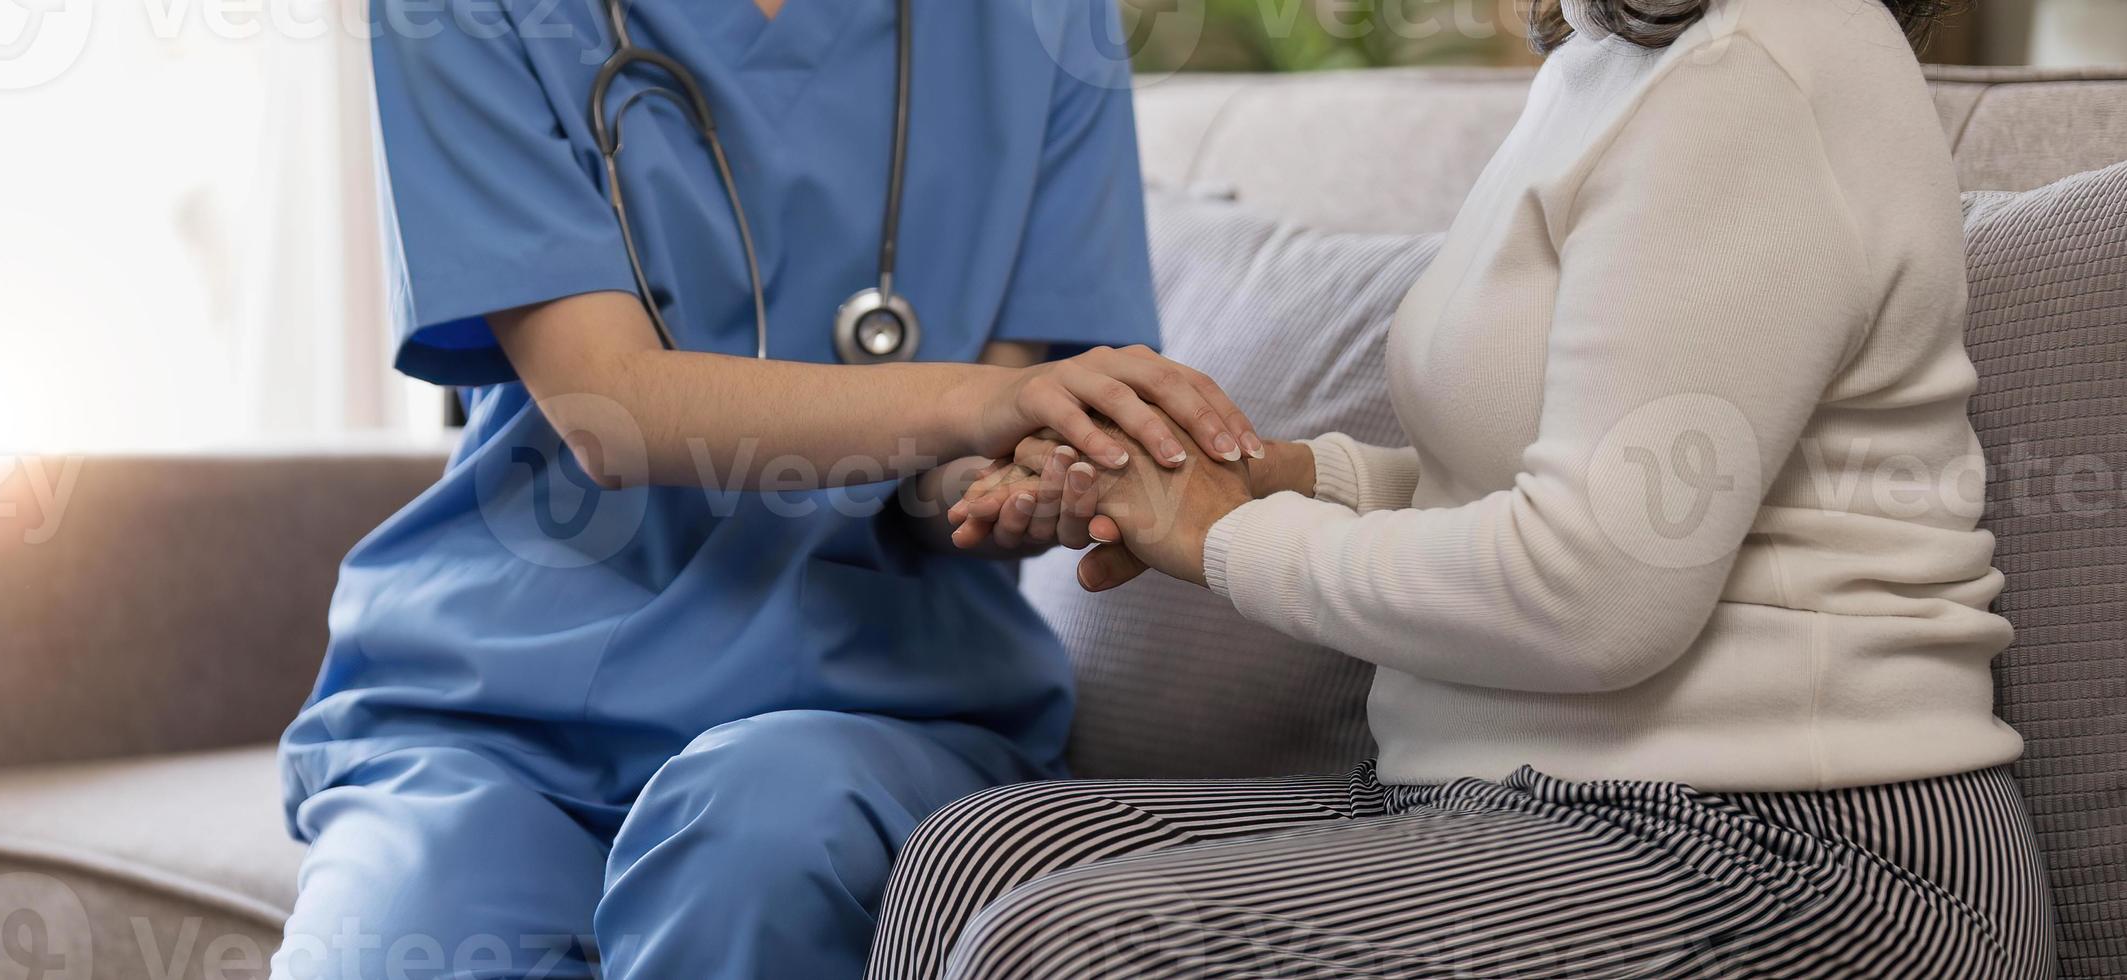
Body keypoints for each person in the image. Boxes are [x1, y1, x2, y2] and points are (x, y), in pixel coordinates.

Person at [860, 0, 2053, 974]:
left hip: (1802, 846)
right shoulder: (1608, 62)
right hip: (1513, 804)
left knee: (1065, 946)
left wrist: (1226, 532)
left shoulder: (1761, 66)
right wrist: (1279, 479)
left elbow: (1591, 590)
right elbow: (1523, 476)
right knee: (969, 855)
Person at [271, 0, 1261, 977]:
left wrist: (1021, 484)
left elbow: (956, 472)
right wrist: (982, 401)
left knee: (760, 834)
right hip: (502, 698)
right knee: (388, 947)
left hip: (873, 703)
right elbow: (606, 406)